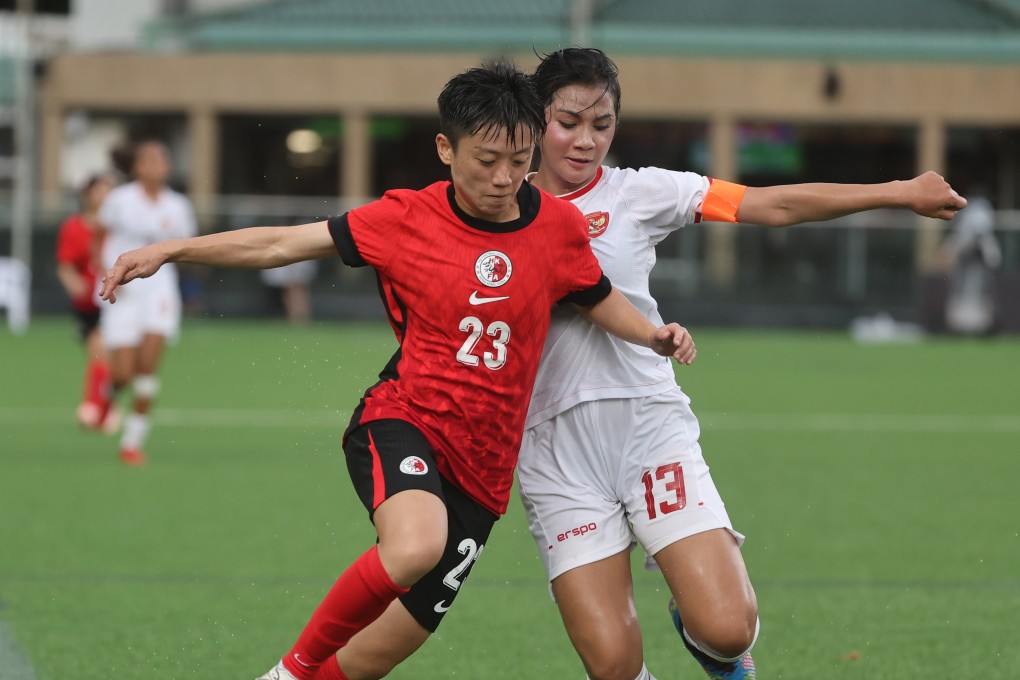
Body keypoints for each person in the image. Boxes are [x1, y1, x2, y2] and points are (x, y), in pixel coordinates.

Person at [98, 60, 697, 680]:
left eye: (519, 161)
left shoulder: (557, 227)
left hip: (484, 472)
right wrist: (171, 250)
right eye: (486, 160)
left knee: (369, 658)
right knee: (413, 546)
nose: (504, 178)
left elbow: (595, 295)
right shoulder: (404, 218)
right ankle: (289, 673)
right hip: (404, 419)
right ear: (445, 148)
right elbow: (281, 244)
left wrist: (653, 334)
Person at [516, 47, 968, 680]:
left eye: (602, 124)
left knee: (728, 630)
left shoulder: (641, 191)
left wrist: (898, 192)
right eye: (569, 121)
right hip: (553, 449)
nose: (586, 140)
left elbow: (769, 206)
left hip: (647, 429)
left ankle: (708, 639)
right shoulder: (495, 207)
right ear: (536, 120)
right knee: (615, 669)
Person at [96, 139, 197, 465]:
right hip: (123, 292)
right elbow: (97, 238)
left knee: (147, 369)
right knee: (123, 373)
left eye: (161, 160)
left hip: (160, 293)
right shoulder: (118, 200)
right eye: (147, 160)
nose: (155, 166)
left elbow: (188, 249)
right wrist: (106, 272)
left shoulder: (178, 206)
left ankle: (131, 442)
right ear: (136, 167)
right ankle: (109, 395)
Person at [55, 173, 115, 431]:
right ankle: (99, 408)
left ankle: (97, 408)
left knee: (106, 355)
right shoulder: (73, 227)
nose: (104, 197)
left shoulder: (117, 226)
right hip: (89, 303)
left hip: (115, 301)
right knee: (99, 353)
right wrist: (73, 283)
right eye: (99, 191)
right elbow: (65, 265)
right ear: (86, 195)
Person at [941, 187, 1001, 335]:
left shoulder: (987, 241)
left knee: (982, 300)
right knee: (959, 300)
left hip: (980, 278)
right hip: (962, 276)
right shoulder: (962, 237)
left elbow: (993, 258)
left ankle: (983, 328)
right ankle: (956, 328)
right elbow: (951, 252)